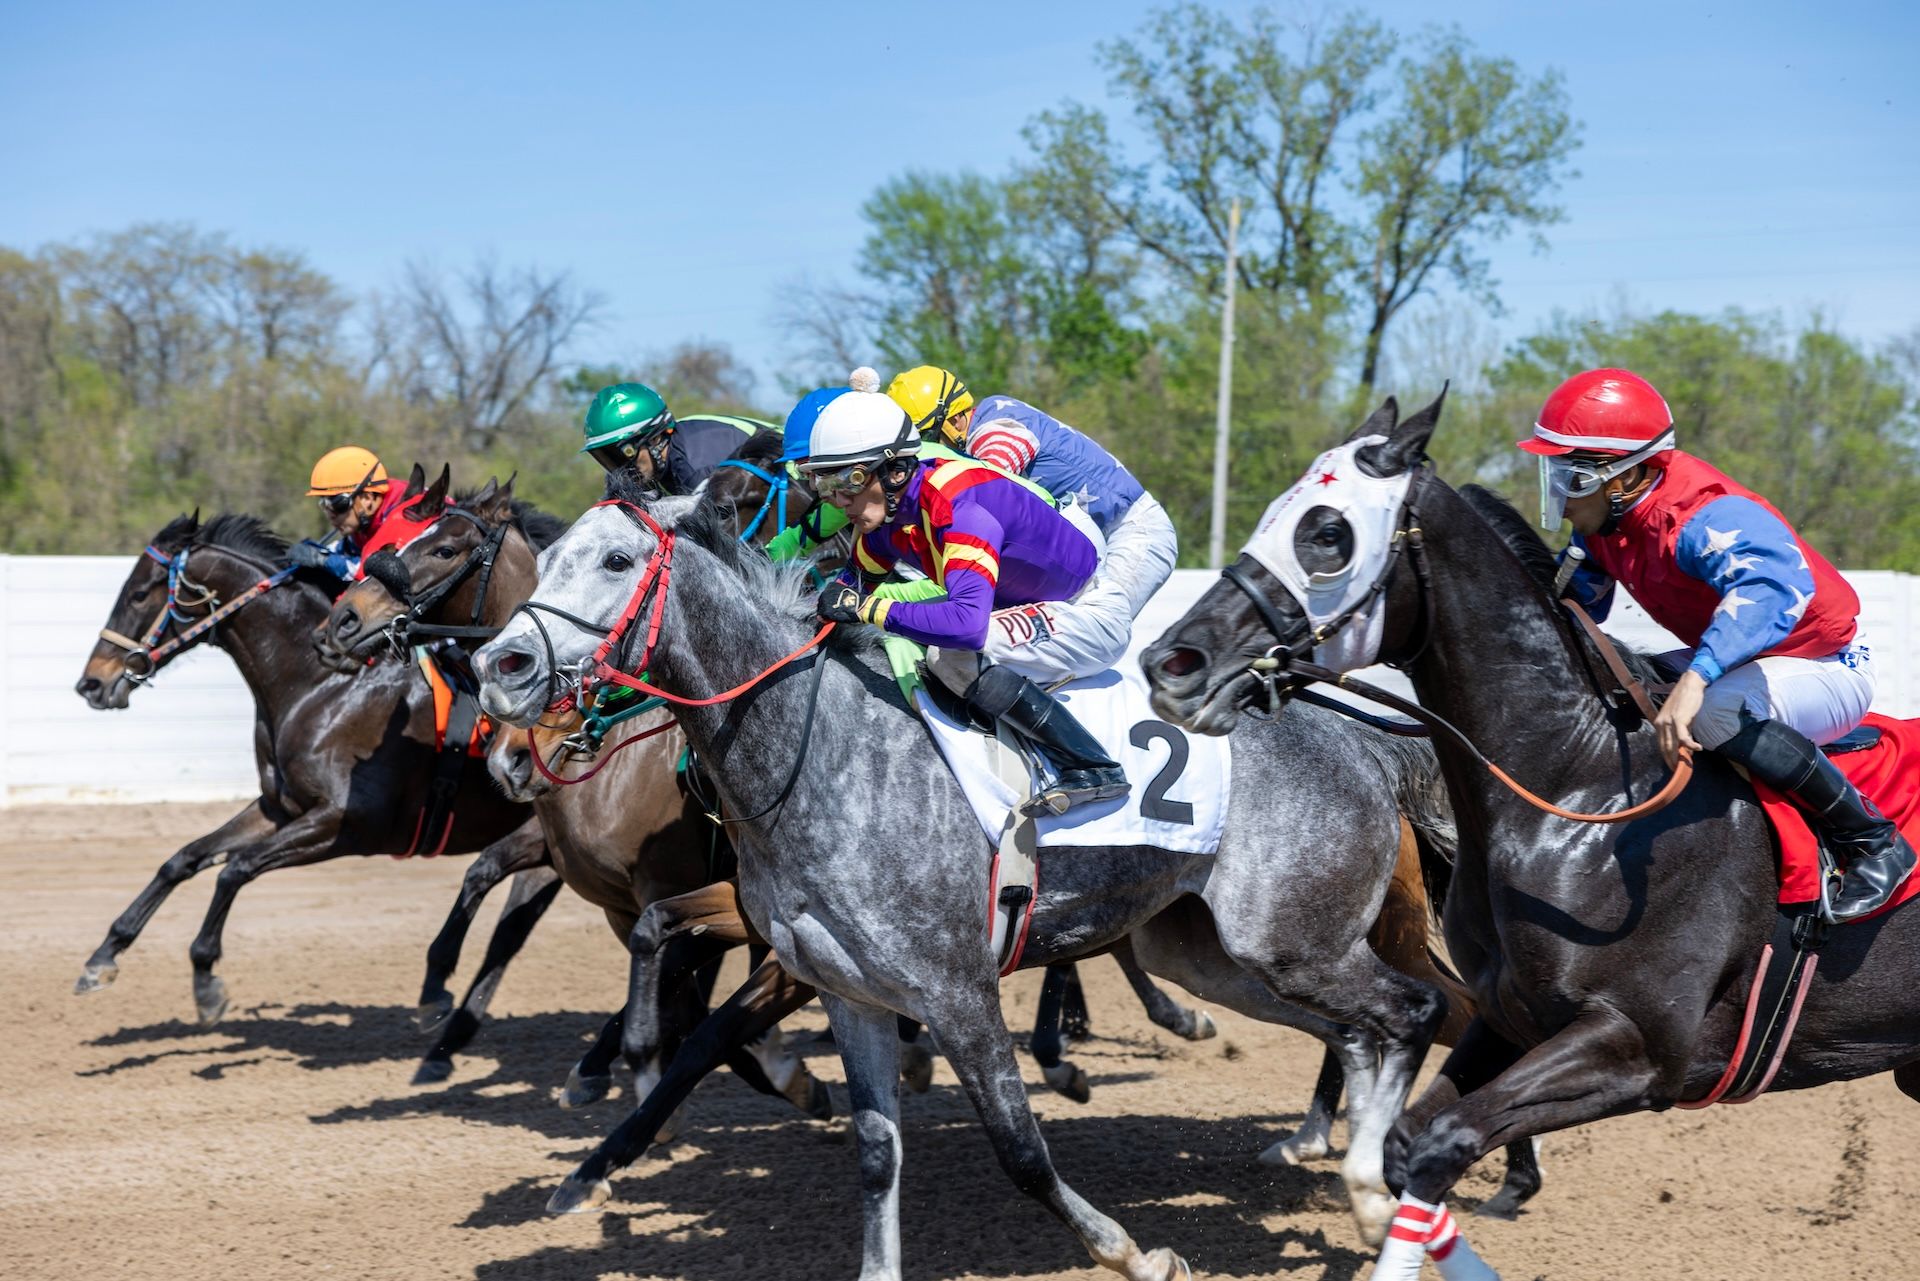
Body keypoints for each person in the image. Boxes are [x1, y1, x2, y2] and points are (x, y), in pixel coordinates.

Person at [1524, 367, 1914, 921]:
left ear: (1627, 476)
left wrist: (1697, 677)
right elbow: (1571, 609)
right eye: (1556, 476)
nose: (1562, 500)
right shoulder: (1604, 523)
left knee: (1708, 711)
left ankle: (1874, 843)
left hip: (1826, 662)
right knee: (1617, 685)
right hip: (1752, 659)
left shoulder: (1704, 516)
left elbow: (1775, 589)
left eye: (1574, 480)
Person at [798, 388, 1128, 815]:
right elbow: (846, 591)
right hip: (1026, 601)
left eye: (850, 481)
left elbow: (966, 626)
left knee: (949, 657)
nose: (839, 502)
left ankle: (1091, 767)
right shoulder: (887, 519)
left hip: (1087, 610)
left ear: (895, 471)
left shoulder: (959, 506)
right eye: (825, 484)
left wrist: (870, 611)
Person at [886, 365, 1178, 678]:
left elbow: (987, 502)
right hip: (1093, 542)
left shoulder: (993, 433)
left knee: (1056, 644)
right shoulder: (989, 419)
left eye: (927, 439)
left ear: (957, 419)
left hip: (1132, 534)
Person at [580, 381, 772, 494]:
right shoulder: (674, 451)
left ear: (655, 438)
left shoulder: (695, 469)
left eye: (624, 454)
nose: (622, 470)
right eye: (608, 457)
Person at [291, 446, 411, 580]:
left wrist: (323, 560)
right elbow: (347, 550)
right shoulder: (364, 519)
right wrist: (315, 551)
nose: (331, 515)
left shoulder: (404, 515)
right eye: (324, 504)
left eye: (338, 504)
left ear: (367, 498)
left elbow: (374, 573)